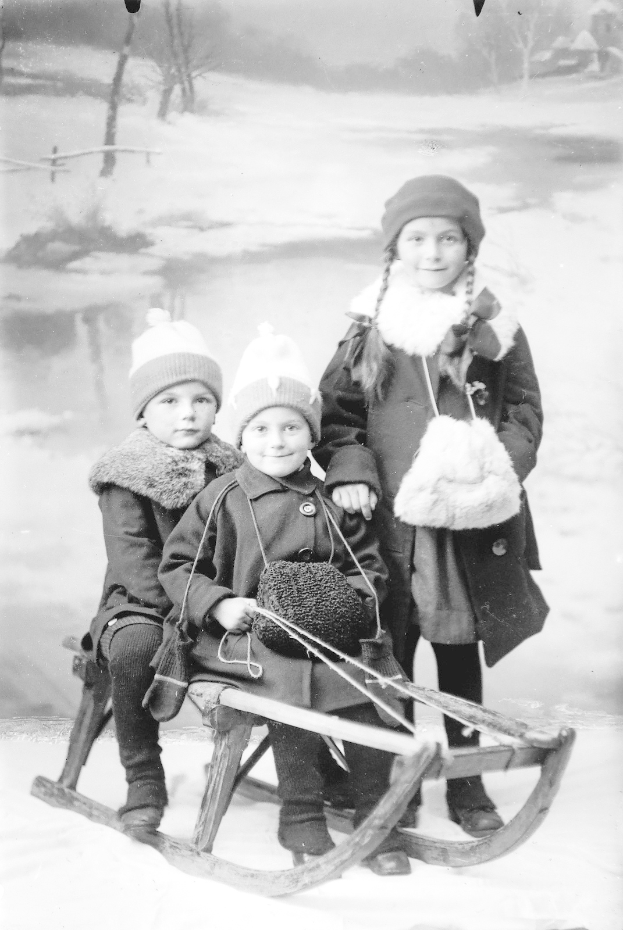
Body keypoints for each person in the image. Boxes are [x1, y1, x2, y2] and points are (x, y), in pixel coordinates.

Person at [314, 175, 549, 837]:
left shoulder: (494, 327)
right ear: (394, 248)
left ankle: (466, 779)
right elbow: (337, 419)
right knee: (388, 650)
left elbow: (526, 409)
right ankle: (396, 781)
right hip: (387, 521)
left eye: (448, 237)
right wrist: (350, 473)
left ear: (468, 247)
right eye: (416, 238)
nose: (432, 251)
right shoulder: (369, 326)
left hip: (464, 519)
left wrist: (498, 465)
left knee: (455, 650)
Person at [159, 325, 411, 876]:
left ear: (310, 433)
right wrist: (220, 603)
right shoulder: (222, 499)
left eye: (292, 427)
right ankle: (299, 813)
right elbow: (178, 567)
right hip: (243, 639)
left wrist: (346, 606)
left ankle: (376, 816)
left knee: (367, 694)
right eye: (263, 429)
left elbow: (368, 570)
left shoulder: (329, 502)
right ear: (243, 438)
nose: (278, 441)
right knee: (287, 690)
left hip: (325, 634)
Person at [83, 308, 242, 834]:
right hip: (142, 603)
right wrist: (196, 610)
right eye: (169, 401)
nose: (187, 413)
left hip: (218, 602)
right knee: (133, 648)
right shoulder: (125, 474)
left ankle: (305, 772)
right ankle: (143, 776)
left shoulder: (237, 467)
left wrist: (222, 604)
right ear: (143, 412)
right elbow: (136, 561)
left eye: (202, 400)